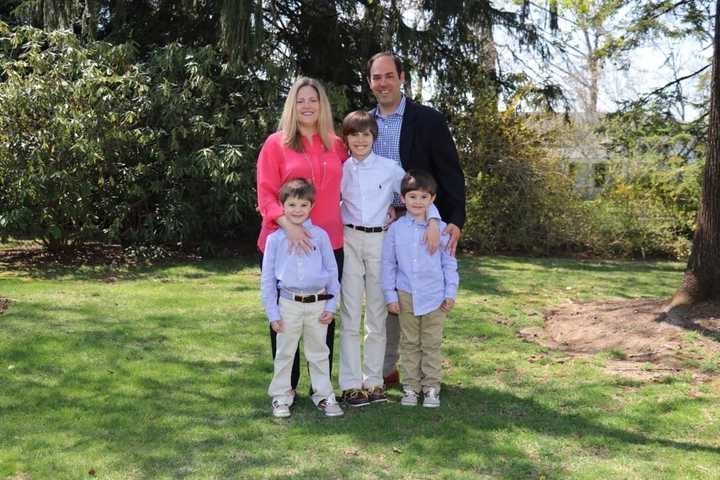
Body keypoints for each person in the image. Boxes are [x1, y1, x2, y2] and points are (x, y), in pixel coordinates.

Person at [366, 51, 466, 385]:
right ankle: (385, 368)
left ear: (402, 77)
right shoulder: (365, 125)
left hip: (422, 223)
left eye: (388, 76)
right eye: (376, 77)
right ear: (370, 82)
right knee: (385, 293)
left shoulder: (428, 120)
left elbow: (450, 173)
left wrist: (454, 219)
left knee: (418, 290)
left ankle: (424, 370)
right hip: (377, 222)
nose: (383, 83)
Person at [337, 111, 440, 407]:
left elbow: (416, 192)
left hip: (380, 242)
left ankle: (374, 381)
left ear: (374, 138)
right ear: (346, 139)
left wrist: (432, 220)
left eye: (366, 134)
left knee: (377, 315)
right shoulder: (341, 169)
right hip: (350, 239)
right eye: (354, 134)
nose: (360, 140)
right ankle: (350, 383)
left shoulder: (388, 168)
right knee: (350, 312)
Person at [256, 77, 347, 394]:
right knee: (285, 317)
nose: (307, 105)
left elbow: (353, 186)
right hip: (283, 243)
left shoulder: (337, 145)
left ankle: (321, 388)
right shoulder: (276, 144)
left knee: (324, 316)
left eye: (313, 99)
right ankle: (287, 386)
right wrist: (290, 226)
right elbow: (266, 195)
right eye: (300, 99)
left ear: (322, 105)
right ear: (292, 105)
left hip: (329, 243)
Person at [261, 178, 343, 417]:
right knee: (285, 352)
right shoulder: (274, 240)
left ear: (312, 207)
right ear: (282, 207)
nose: (298, 210)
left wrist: (331, 303)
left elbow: (332, 273)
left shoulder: (320, 237)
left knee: (319, 352)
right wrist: (272, 313)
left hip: (317, 304)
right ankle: (281, 397)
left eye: (303, 205)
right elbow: (267, 280)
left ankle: (324, 395)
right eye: (292, 205)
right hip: (288, 304)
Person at [381, 170, 459, 408]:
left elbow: (449, 264)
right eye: (412, 196)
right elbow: (388, 264)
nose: (417, 202)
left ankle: (431, 387)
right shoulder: (396, 229)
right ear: (403, 199)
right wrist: (390, 295)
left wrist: (450, 293)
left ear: (432, 200)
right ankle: (411, 388)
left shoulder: (442, 230)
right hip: (406, 295)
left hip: (434, 296)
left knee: (431, 343)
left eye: (423, 197)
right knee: (410, 343)